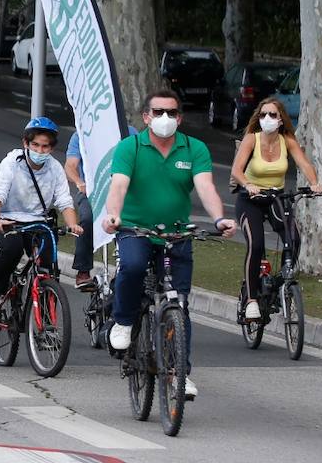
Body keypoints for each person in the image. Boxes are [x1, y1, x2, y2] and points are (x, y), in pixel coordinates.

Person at [100, 90, 238, 401]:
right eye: (159, 112)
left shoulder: (194, 148)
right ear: (146, 117)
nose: (166, 118)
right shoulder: (131, 147)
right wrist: (113, 216)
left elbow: (205, 187)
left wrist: (219, 220)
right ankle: (122, 322)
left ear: (180, 117)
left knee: (179, 304)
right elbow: (119, 184)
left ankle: (179, 374)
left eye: (172, 113)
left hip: (177, 233)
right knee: (133, 267)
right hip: (135, 228)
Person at [229, 97, 322, 324]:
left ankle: (282, 283)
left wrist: (315, 184)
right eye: (263, 115)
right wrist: (248, 185)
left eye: (272, 115)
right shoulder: (252, 139)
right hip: (250, 199)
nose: (267, 119)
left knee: (294, 239)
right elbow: (236, 170)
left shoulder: (287, 140)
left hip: (276, 197)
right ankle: (252, 300)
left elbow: (304, 164)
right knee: (257, 244)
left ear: (281, 119)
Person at [0, 116, 83, 320]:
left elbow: (64, 201)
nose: (39, 151)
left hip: (37, 221)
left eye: (45, 147)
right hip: (6, 219)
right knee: (13, 248)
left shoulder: (54, 168)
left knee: (48, 263)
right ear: (25, 143)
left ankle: (45, 318)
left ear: (51, 148)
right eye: (35, 145)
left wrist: (72, 225)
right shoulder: (12, 162)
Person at [62, 131, 99, 288]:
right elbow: (70, 165)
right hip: (90, 191)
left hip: (123, 192)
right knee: (87, 218)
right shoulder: (81, 134)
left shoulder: (128, 132)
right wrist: (79, 182)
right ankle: (83, 271)